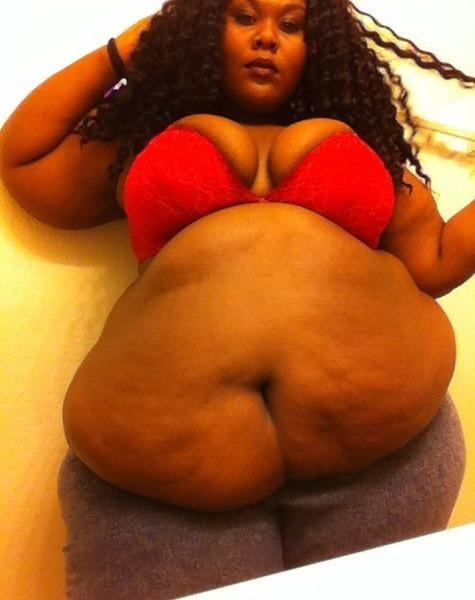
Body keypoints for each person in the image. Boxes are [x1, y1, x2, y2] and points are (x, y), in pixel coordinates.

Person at [0, 0, 473, 597]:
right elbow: (25, 158)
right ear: (202, 29)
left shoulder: (367, 147)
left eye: (291, 24)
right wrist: (130, 47)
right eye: (243, 17)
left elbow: (435, 261)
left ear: (321, 46)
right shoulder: (140, 144)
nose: (267, 37)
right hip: (161, 491)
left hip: (386, 460)